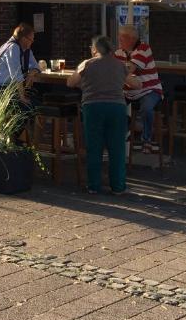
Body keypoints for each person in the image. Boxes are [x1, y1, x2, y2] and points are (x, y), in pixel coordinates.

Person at [68, 36, 143, 195]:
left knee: (94, 146)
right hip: (116, 107)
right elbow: (135, 84)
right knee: (116, 147)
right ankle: (118, 186)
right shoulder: (120, 65)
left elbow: (70, 82)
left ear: (95, 49)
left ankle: (94, 186)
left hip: (93, 106)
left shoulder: (87, 64)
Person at [115, 25, 164, 154]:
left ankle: (146, 140)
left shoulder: (144, 48)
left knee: (147, 108)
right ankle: (125, 129)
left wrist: (115, 67)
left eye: (121, 37)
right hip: (128, 91)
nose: (118, 39)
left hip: (150, 89)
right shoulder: (119, 52)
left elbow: (130, 68)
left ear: (131, 39)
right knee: (111, 105)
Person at [0, 23, 40, 104]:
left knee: (35, 101)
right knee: (27, 107)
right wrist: (22, 98)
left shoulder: (26, 49)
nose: (32, 42)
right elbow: (16, 75)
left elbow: (36, 66)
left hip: (10, 87)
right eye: (31, 40)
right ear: (23, 38)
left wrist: (32, 73)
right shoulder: (12, 47)